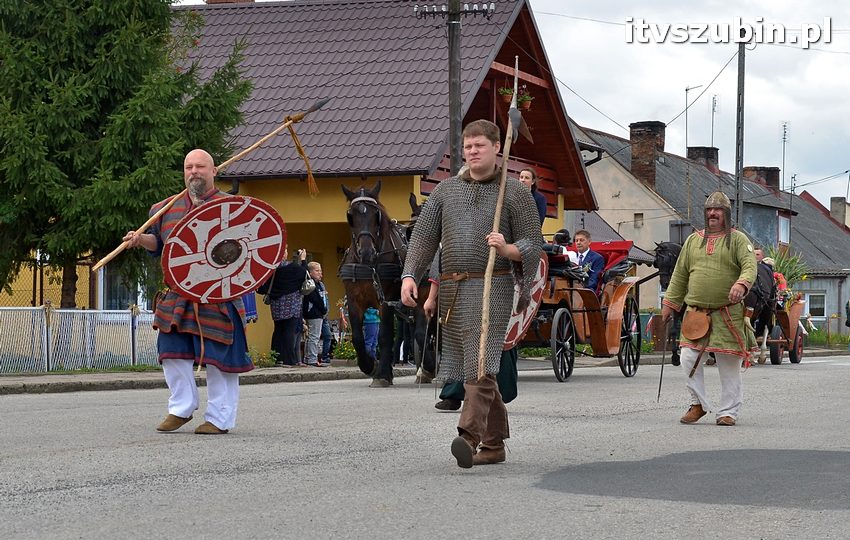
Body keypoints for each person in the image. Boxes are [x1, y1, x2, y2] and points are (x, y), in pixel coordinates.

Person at [401, 119, 542, 468]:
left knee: (481, 360)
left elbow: (534, 245)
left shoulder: (515, 193)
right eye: (467, 146)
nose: (472, 151)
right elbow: (423, 238)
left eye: (479, 145)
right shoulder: (446, 192)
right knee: (473, 366)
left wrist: (507, 248)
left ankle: (468, 435)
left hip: (491, 283)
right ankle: (494, 446)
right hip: (452, 286)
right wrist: (409, 275)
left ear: (497, 148)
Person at [122, 149, 251, 435]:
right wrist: (140, 239)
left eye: (201, 167)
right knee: (171, 352)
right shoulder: (164, 209)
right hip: (178, 292)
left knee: (220, 360)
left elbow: (248, 249)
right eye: (189, 167)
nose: (194, 172)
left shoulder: (233, 206)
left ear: (213, 171)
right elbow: (160, 244)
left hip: (219, 294)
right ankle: (181, 408)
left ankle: (219, 418)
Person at [661, 191, 757, 427]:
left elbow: (750, 267)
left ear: (726, 214)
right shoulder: (693, 241)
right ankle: (699, 404)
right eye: (709, 210)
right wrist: (669, 303)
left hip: (727, 314)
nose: (712, 213)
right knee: (687, 358)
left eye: (718, 210)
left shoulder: (738, 240)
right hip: (696, 314)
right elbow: (679, 275)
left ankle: (728, 412)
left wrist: (741, 283)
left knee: (728, 365)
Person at [258, 247, 308, 366]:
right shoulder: (293, 268)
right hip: (292, 305)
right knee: (289, 331)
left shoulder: (271, 270)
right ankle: (289, 359)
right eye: (285, 250)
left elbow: (262, 286)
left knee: (278, 330)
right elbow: (305, 274)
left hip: (276, 305)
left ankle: (277, 357)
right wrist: (303, 260)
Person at [302, 261, 329, 366]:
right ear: (310, 272)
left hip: (319, 313)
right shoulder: (311, 284)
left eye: (320, 271)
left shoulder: (320, 284)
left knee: (313, 336)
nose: (320, 273)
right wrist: (323, 309)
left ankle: (308, 358)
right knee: (314, 336)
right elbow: (315, 299)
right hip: (314, 313)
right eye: (317, 271)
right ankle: (312, 359)